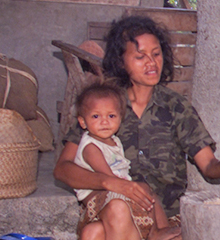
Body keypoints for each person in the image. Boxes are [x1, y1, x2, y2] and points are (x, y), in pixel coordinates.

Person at [54, 15, 220, 240]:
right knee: (98, 228)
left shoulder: (176, 107)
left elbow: (209, 167)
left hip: (165, 220)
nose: (151, 62)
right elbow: (63, 169)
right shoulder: (103, 106)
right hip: (114, 211)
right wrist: (112, 183)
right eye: (140, 56)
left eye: (156, 54)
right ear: (120, 62)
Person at [70, 83, 178, 240]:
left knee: (147, 190)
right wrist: (130, 189)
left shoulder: (114, 141)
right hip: (99, 195)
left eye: (111, 116)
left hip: (113, 191)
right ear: (82, 122)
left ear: (120, 118)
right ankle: (155, 232)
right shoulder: (90, 147)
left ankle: (159, 229)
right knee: (142, 189)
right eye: (96, 116)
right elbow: (108, 178)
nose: (105, 122)